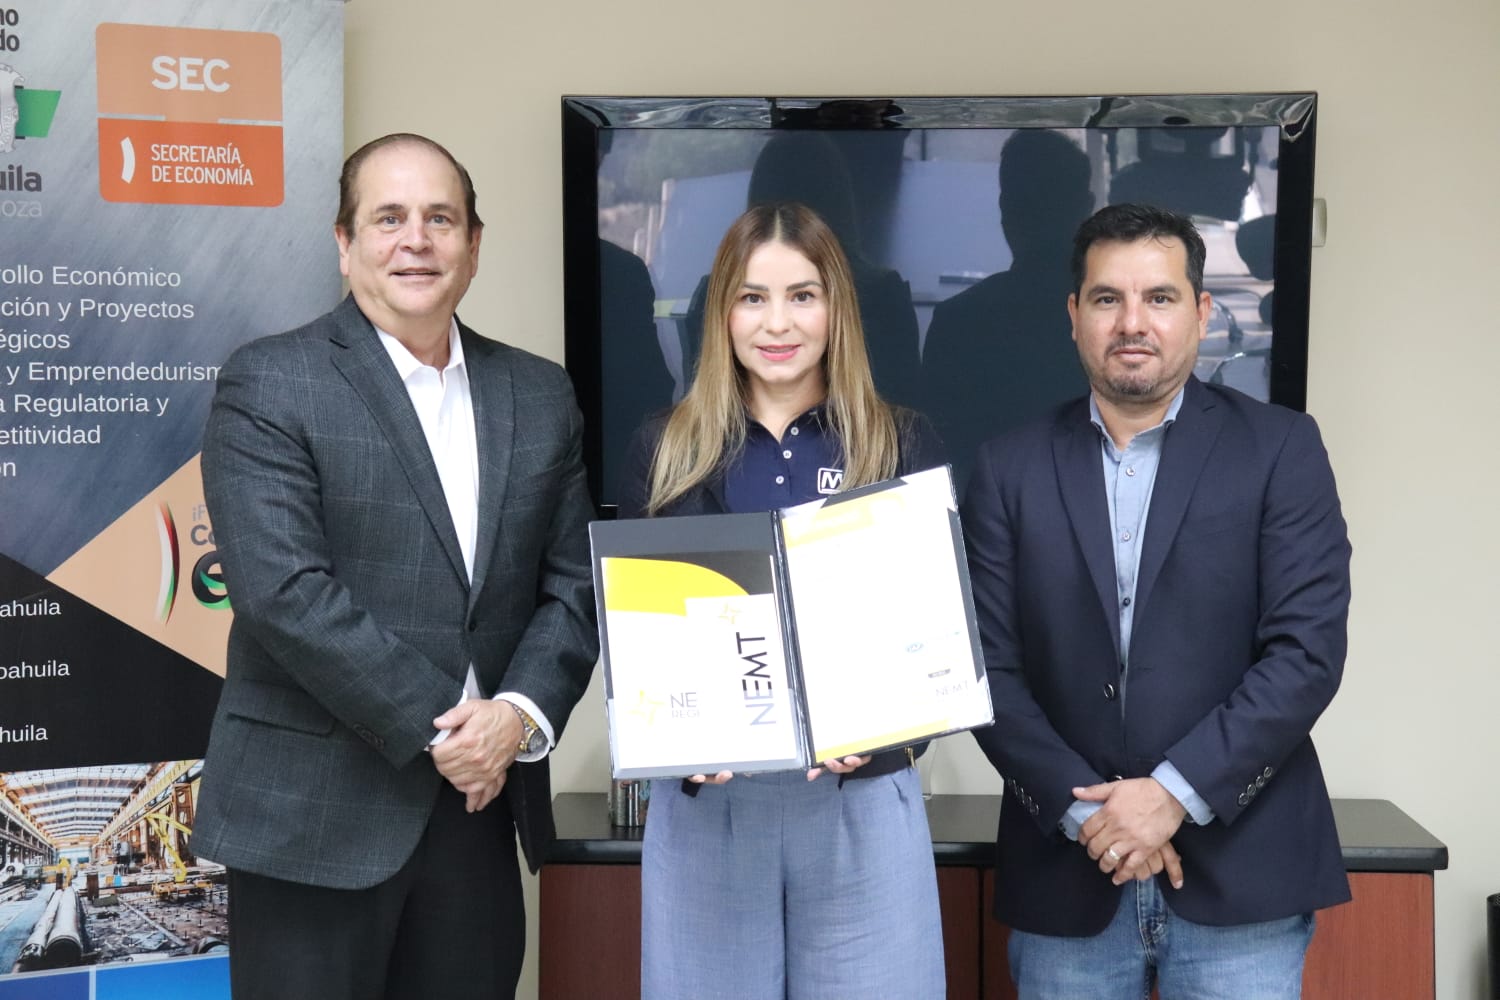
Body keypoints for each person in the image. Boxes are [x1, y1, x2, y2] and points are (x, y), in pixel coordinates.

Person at [191, 133, 598, 1000]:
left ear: (473, 245)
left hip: (480, 810)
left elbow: (574, 588)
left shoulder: (540, 394)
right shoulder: (271, 382)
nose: (416, 239)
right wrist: (451, 732)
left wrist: (516, 718)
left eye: (440, 219)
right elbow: (284, 594)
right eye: (389, 218)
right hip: (313, 821)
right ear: (344, 244)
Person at [962, 203, 1351, 999]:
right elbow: (984, 670)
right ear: (1075, 315)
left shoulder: (1282, 449)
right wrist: (1098, 821)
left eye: (1160, 298)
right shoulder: (1006, 469)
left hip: (1242, 879)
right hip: (1068, 877)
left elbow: (1305, 653)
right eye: (1107, 298)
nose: (1132, 322)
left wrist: (1172, 795)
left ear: (1202, 313)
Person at [618, 201, 947, 999]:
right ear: (721, 313)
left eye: (803, 295)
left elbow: (935, 639)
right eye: (752, 298)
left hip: (861, 802)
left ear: (838, 309)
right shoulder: (663, 450)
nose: (778, 323)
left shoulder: (900, 444)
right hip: (709, 812)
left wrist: (890, 727)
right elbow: (638, 643)